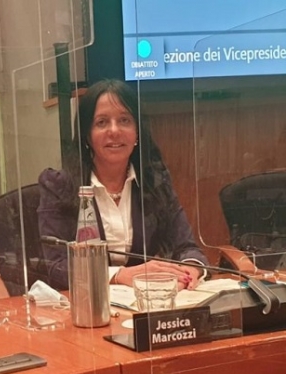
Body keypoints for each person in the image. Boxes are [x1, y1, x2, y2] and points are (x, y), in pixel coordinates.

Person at [38, 78, 208, 291]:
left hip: (144, 301)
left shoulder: (154, 182)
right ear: (87, 135)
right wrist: (118, 275)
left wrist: (190, 269)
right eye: (102, 122)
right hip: (84, 303)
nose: (114, 131)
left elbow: (187, 247)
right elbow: (55, 266)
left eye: (125, 120)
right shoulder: (59, 186)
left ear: (137, 132)